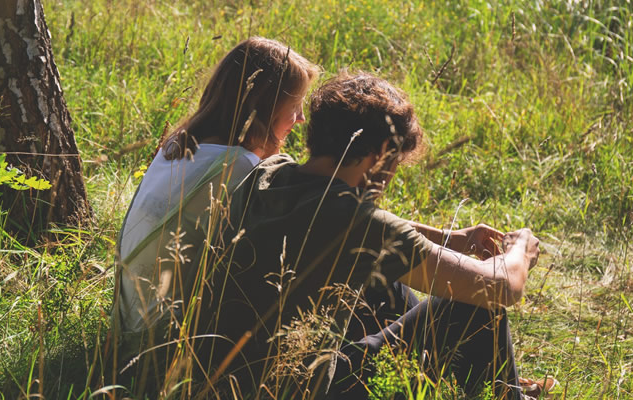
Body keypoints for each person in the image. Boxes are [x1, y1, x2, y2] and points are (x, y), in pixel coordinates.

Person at [199, 72, 547, 399]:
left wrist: (447, 238)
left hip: (219, 377)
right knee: (477, 307)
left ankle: (478, 382)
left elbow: (361, 227)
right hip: (306, 388)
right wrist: (520, 250)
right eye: (396, 162)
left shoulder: (272, 173)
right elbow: (501, 287)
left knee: (388, 282)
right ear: (380, 154)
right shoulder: (360, 225)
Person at [112, 37, 318, 396]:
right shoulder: (237, 167)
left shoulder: (178, 145)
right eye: (295, 107)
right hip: (167, 348)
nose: (300, 119)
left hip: (130, 329)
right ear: (265, 107)